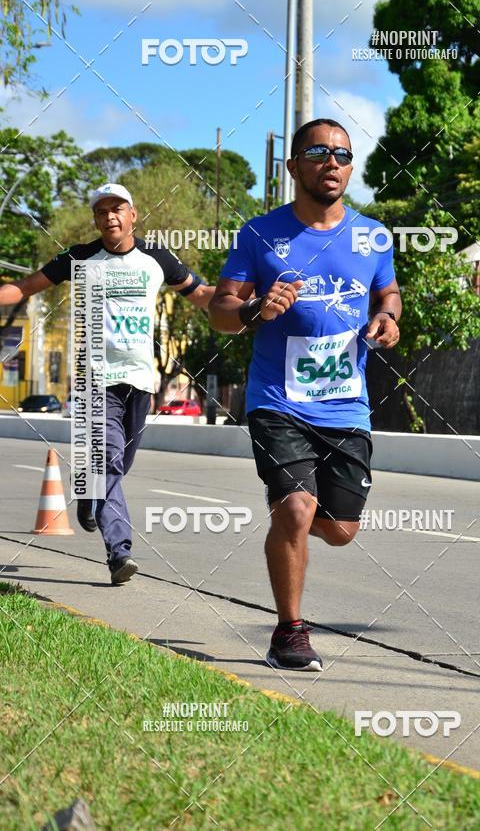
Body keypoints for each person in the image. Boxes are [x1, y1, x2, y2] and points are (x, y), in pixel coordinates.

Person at [209, 118, 401, 671]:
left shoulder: (373, 236)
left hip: (346, 403)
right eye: (318, 152)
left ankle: (292, 513)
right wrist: (254, 309)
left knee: (340, 530)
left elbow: (387, 293)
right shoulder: (260, 235)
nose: (332, 162)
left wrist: (387, 319)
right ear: (293, 167)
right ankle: (289, 631)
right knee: (296, 507)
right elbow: (221, 311)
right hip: (278, 400)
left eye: (342, 153)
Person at [0, 182, 214, 585]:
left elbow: (203, 294)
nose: (110, 217)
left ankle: (90, 496)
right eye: (102, 212)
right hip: (94, 379)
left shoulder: (157, 258)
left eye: (118, 209)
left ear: (133, 215)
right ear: (96, 220)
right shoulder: (79, 257)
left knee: (119, 463)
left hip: (140, 382)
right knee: (107, 461)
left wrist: (248, 302)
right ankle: (120, 552)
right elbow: (26, 287)